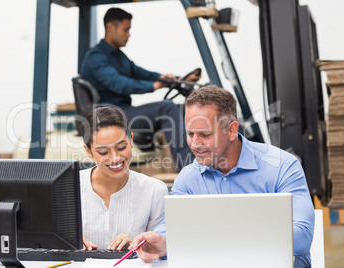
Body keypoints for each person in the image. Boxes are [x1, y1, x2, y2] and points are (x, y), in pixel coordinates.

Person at [130, 85, 315, 268]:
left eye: (204, 134)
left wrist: (221, 235)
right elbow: (171, 229)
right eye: (190, 133)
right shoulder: (188, 178)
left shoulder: (282, 166)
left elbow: (302, 237)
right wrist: (161, 242)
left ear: (232, 130)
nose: (194, 144)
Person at [80, 7, 201, 170]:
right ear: (110, 27)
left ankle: (206, 163)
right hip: (109, 117)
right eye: (126, 30)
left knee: (180, 109)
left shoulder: (118, 56)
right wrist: (154, 86)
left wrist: (176, 80)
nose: (128, 34)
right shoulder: (96, 58)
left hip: (125, 111)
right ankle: (191, 172)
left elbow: (141, 73)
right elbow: (120, 83)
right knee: (167, 108)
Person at [80, 106, 169, 251]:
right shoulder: (68, 189)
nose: (115, 158)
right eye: (103, 152)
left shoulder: (154, 190)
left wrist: (138, 247)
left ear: (131, 140)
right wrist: (66, 245)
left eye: (121, 147)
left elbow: (159, 249)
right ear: (88, 151)